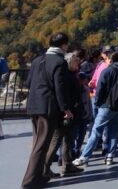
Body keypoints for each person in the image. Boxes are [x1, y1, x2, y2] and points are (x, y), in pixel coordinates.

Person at [22, 33, 75, 189]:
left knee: (38, 143)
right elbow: (60, 87)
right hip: (48, 107)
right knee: (41, 145)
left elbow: (28, 82)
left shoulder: (37, 60)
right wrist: (65, 108)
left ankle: (39, 176)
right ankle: (29, 181)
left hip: (34, 106)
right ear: (64, 45)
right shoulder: (60, 62)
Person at [72, 52, 118, 167]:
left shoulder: (107, 71)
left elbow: (100, 89)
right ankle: (110, 156)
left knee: (96, 131)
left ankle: (84, 157)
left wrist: (97, 103)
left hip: (106, 106)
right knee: (113, 132)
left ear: (111, 60)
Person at [44, 52, 84, 178]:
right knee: (56, 140)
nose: (77, 62)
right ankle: (44, 167)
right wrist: (65, 110)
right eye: (74, 60)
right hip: (65, 113)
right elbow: (62, 94)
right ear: (68, 62)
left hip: (71, 112)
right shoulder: (66, 76)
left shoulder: (71, 74)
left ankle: (67, 164)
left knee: (69, 139)